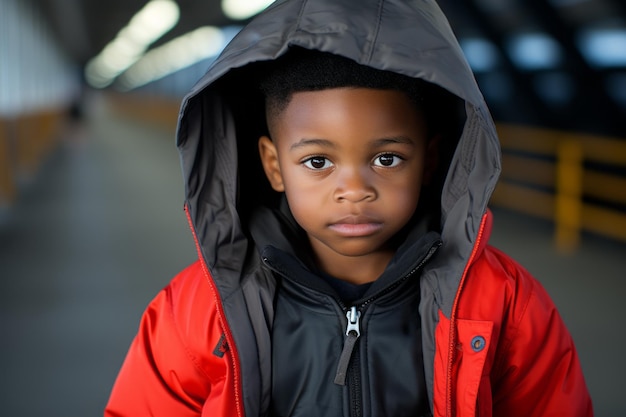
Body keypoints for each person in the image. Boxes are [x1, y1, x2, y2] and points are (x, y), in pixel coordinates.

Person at [104, 0, 593, 416]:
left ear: (430, 161)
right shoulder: (199, 307)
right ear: (274, 166)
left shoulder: (504, 302)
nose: (354, 189)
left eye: (387, 158)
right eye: (318, 161)